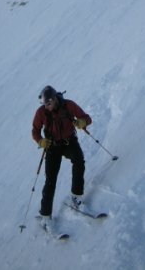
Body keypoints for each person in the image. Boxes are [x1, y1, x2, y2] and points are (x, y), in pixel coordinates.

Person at [32, 85, 92, 230]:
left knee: (79, 161)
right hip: (52, 147)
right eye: (44, 104)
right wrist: (41, 141)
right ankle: (45, 216)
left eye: (48, 103)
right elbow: (35, 130)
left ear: (54, 99)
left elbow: (87, 118)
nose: (46, 107)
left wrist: (82, 122)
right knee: (50, 179)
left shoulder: (68, 105)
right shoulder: (41, 112)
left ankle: (76, 196)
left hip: (69, 142)